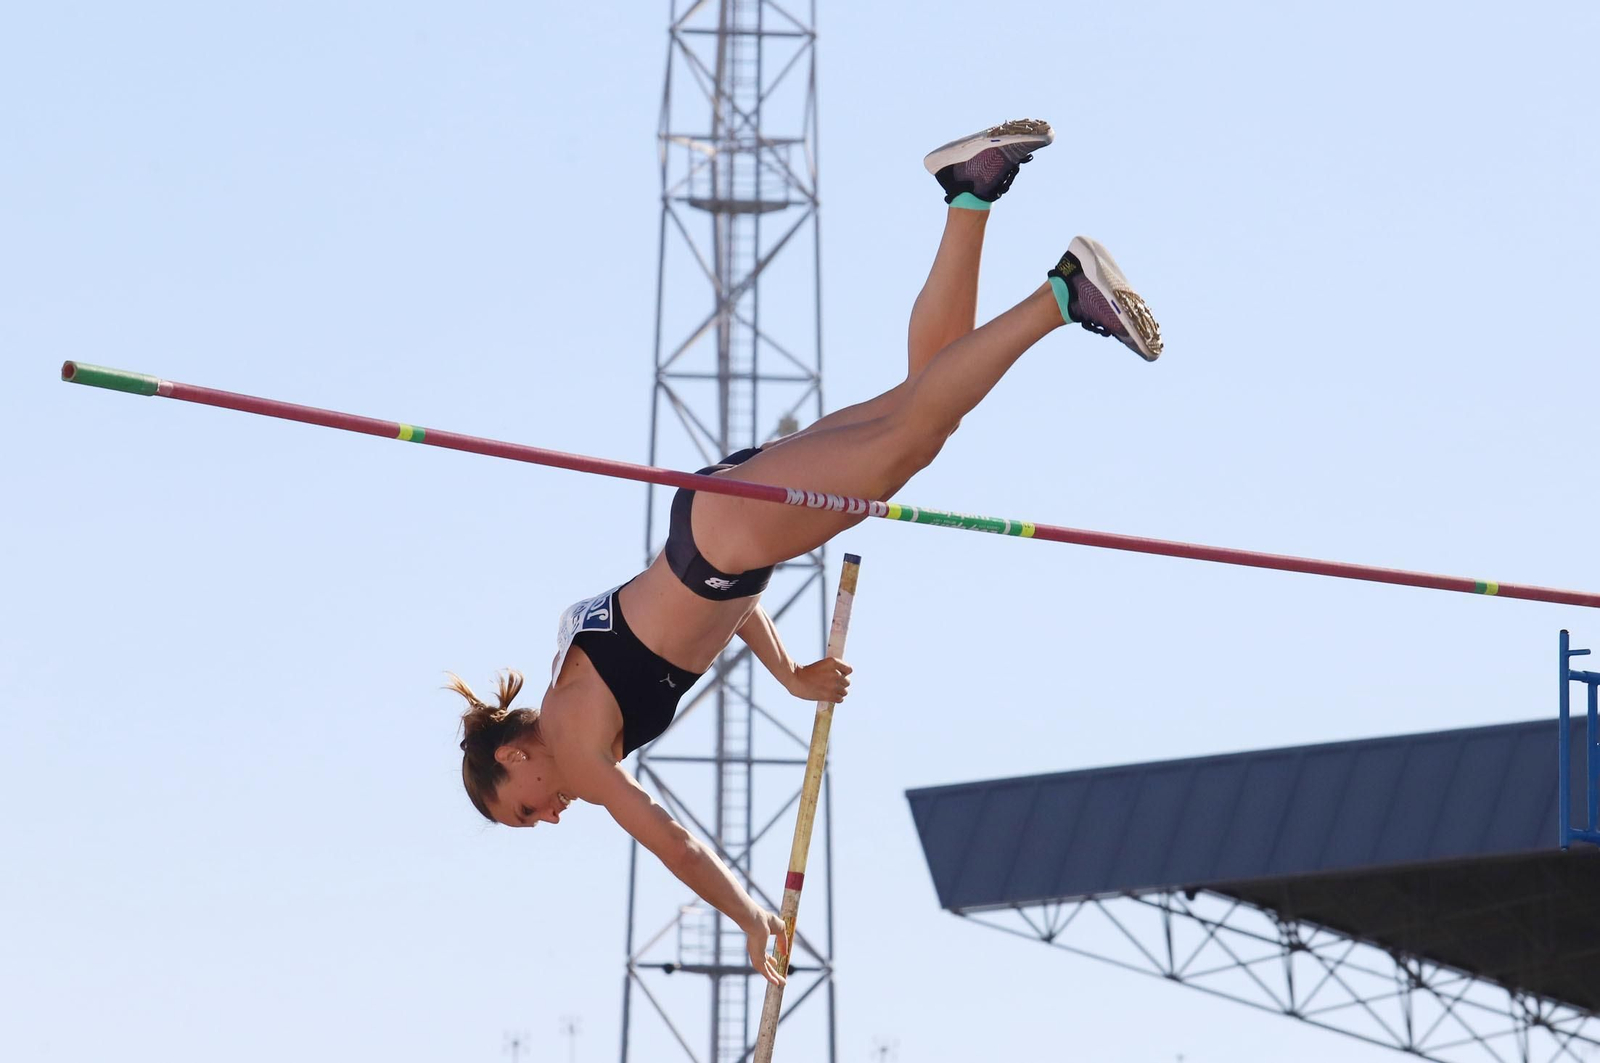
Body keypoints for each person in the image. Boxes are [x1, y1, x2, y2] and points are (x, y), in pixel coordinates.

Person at [448, 118, 1162, 987]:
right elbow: (712, 612)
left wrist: (749, 914)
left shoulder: (578, 746)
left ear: (514, 756)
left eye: (525, 810)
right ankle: (969, 191)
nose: (550, 816)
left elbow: (670, 840)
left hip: (726, 538)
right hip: (719, 535)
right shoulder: (573, 687)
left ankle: (1063, 292)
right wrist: (788, 676)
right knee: (919, 410)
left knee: (914, 435)